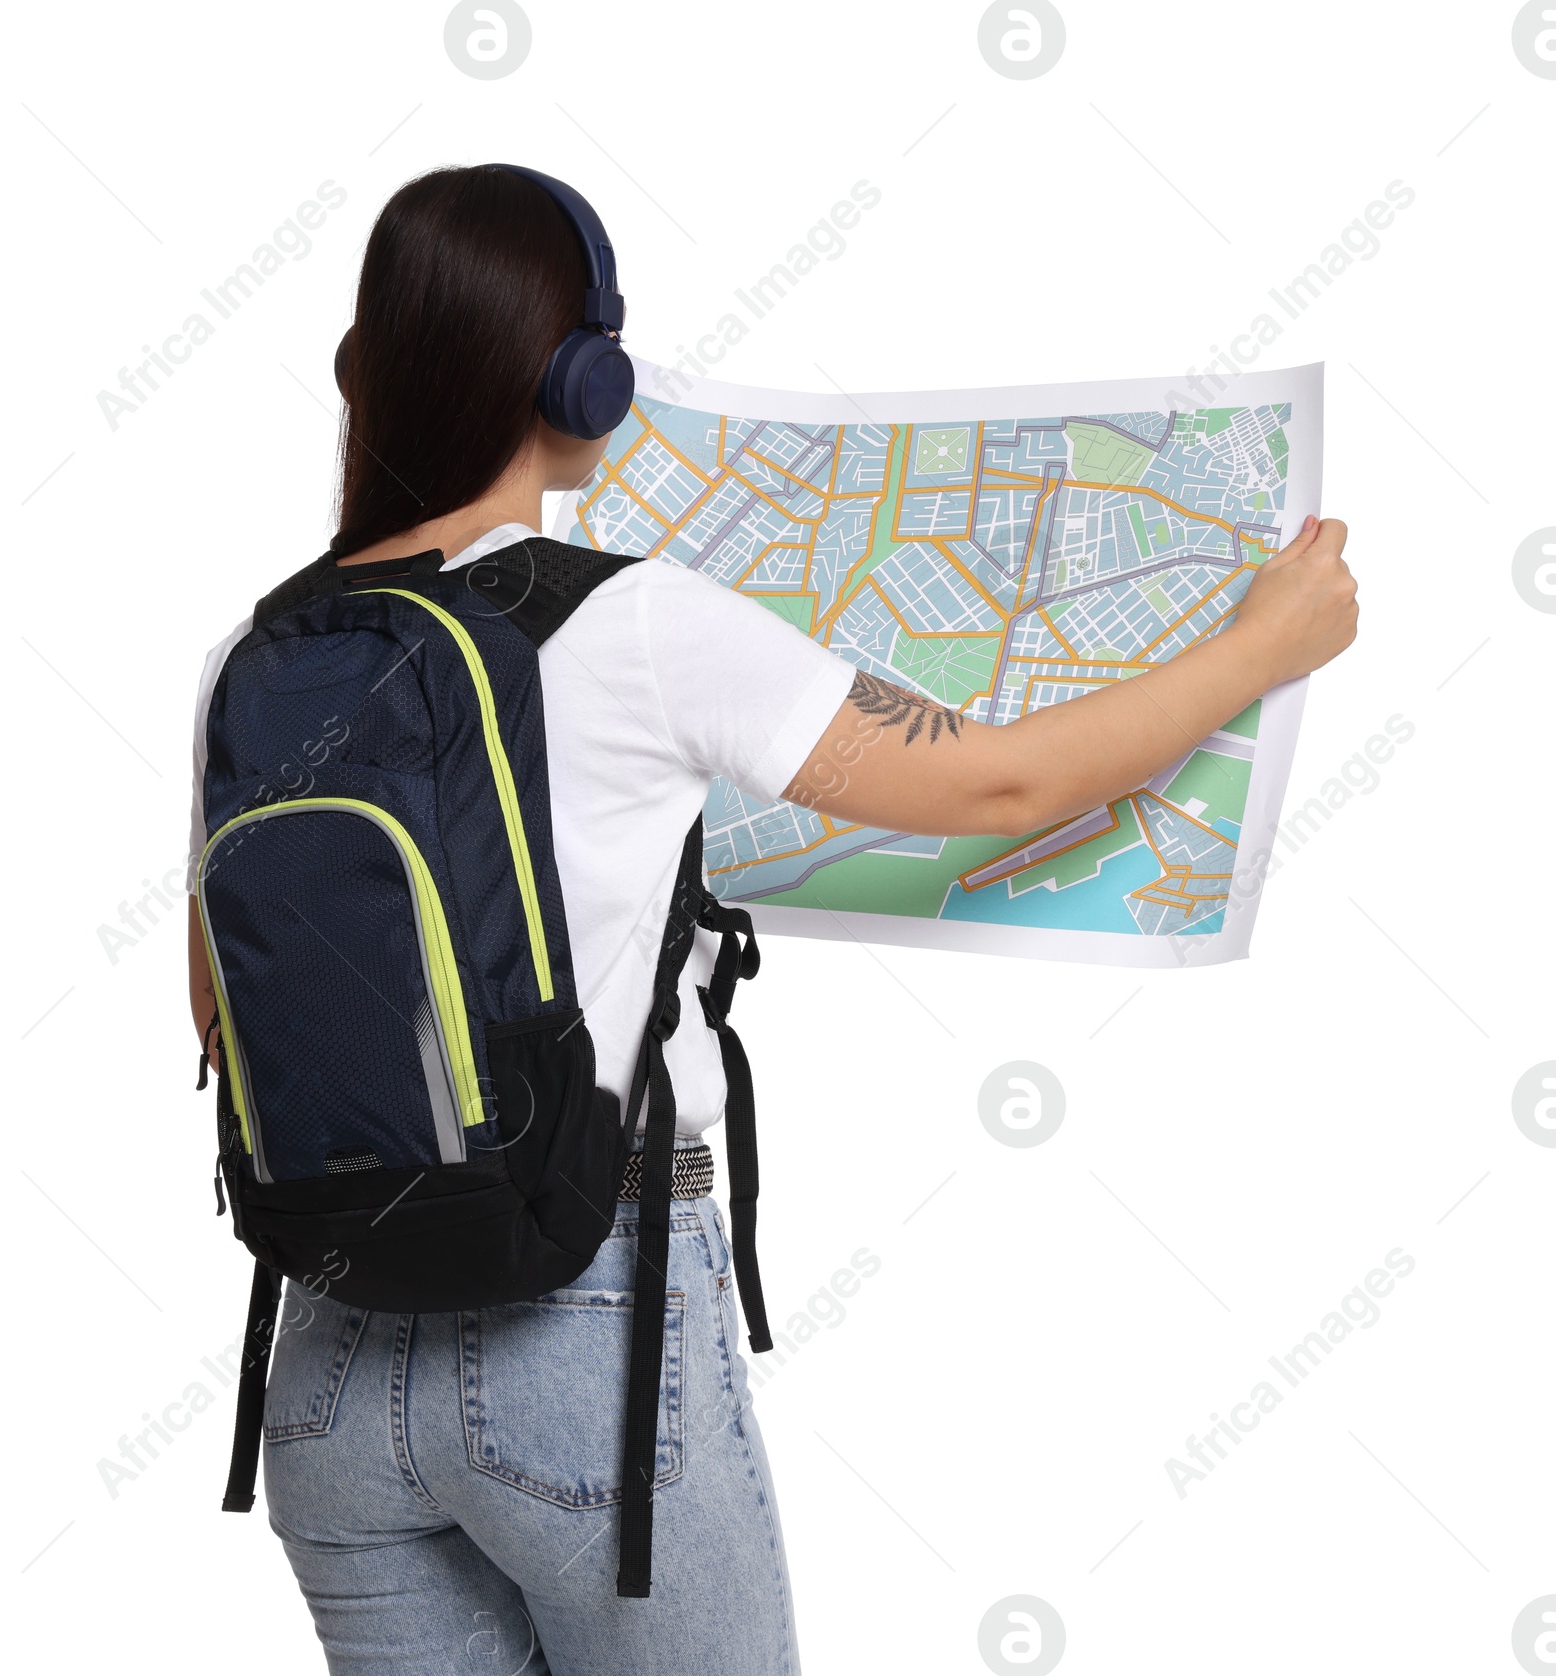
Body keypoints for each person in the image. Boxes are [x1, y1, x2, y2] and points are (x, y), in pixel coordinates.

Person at [186, 164, 1356, 1675]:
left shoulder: (253, 656)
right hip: (573, 1332)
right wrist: (1265, 643)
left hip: (328, 1372)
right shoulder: (635, 623)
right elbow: (998, 784)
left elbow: (224, 1018)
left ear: (368, 373)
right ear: (582, 380)